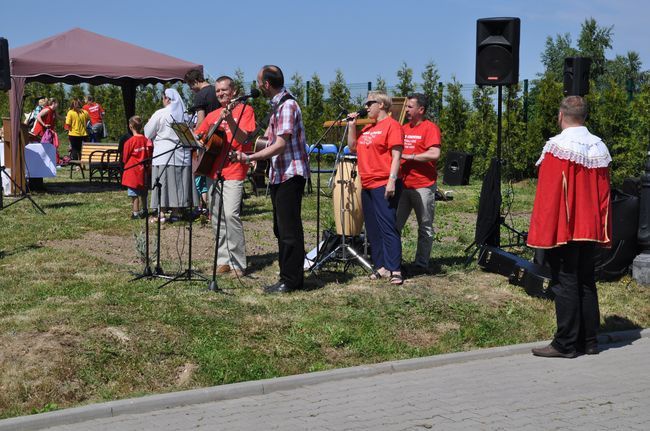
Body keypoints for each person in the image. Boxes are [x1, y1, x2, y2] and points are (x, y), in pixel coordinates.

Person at [528, 96, 612, 359]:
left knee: (565, 283)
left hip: (565, 227)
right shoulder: (598, 146)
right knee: (586, 281)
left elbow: (549, 194)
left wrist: (545, 231)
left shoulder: (557, 146)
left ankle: (565, 343)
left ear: (560, 116)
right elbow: (604, 194)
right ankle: (589, 341)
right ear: (585, 117)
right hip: (590, 227)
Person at [230, 65, 310, 293]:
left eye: (258, 82)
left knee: (289, 229)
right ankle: (289, 273)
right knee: (280, 228)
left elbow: (281, 144)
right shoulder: (276, 106)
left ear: (266, 84)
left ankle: (292, 280)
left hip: (290, 173)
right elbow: (263, 138)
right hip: (279, 174)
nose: (256, 87)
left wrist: (250, 157)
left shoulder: (287, 105)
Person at [194, 75, 256, 277]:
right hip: (213, 170)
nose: (220, 93)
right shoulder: (213, 115)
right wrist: (199, 140)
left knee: (231, 215)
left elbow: (243, 137)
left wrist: (229, 118)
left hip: (235, 170)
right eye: (218, 91)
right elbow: (199, 136)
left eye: (224, 90)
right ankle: (223, 259)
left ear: (234, 91)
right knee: (216, 217)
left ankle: (238, 262)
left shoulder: (245, 110)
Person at [347, 91, 404, 285]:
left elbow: (397, 156)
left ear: (381, 104)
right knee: (372, 229)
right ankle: (381, 266)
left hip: (383, 183)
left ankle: (395, 268)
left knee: (387, 226)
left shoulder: (392, 125)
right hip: (367, 184)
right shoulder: (369, 129)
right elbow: (352, 146)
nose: (366, 107)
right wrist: (351, 126)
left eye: (369, 103)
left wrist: (391, 180)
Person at [396, 93, 442, 273]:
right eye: (406, 106)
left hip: (423, 185)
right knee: (395, 225)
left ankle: (421, 265)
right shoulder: (403, 128)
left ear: (420, 110)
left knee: (425, 226)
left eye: (409, 107)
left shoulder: (430, 128)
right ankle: (394, 261)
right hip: (403, 185)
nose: (406, 109)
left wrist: (411, 156)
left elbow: (434, 154)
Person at [144, 88, 198, 223]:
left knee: (162, 183)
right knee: (178, 184)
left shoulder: (161, 113)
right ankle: (176, 212)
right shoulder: (184, 115)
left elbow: (148, 133)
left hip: (164, 153)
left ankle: (161, 213)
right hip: (181, 154)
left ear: (166, 99)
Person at [122, 116, 153, 219]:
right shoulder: (146, 140)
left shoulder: (129, 142)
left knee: (134, 194)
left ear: (130, 126)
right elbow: (150, 153)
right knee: (144, 192)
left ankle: (135, 213)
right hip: (144, 170)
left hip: (133, 171)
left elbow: (125, 157)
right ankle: (145, 210)